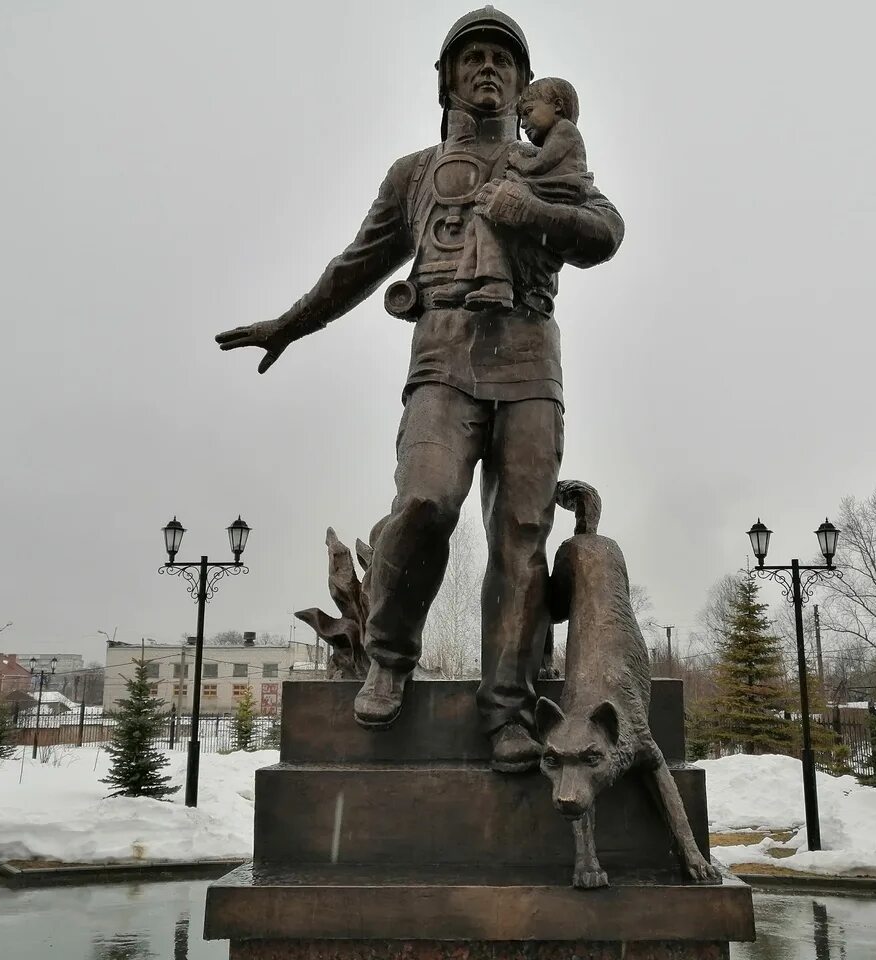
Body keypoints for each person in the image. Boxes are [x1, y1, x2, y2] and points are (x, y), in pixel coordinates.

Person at [215, 7, 624, 774]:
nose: (488, 68)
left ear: (525, 83)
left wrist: (534, 212)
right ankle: (390, 654)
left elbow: (606, 232)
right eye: (473, 57)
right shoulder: (414, 174)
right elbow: (356, 264)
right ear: (446, 78)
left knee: (523, 535)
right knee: (425, 500)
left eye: (503, 59)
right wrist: (289, 325)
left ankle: (507, 709)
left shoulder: (549, 162)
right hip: (442, 352)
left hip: (529, 354)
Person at [454, 76, 591, 311]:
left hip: (557, 190)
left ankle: (498, 285)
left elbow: (541, 164)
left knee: (490, 213)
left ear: (557, 106)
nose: (524, 123)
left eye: (528, 113)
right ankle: (466, 280)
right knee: (481, 216)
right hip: (544, 188)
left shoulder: (564, 130)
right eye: (521, 118)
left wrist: (520, 167)